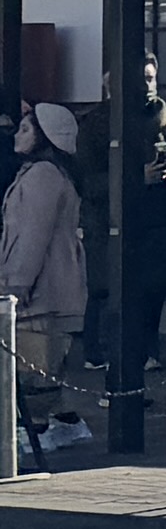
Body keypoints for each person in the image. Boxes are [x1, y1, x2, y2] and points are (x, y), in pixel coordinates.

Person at [3, 106, 82, 465]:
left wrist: (16, 285)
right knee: (44, 364)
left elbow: (31, 236)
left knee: (32, 366)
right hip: (52, 285)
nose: (17, 135)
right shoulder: (47, 173)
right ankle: (64, 423)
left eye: (25, 129)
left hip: (41, 291)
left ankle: (34, 432)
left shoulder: (41, 177)